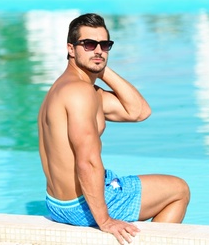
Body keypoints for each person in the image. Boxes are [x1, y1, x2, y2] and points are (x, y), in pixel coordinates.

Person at [38, 13, 190, 244]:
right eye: (89, 44)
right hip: (81, 206)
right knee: (178, 190)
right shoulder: (81, 94)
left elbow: (139, 111)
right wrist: (105, 220)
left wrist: (99, 68)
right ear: (71, 49)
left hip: (57, 202)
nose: (98, 50)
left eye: (104, 45)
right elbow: (87, 161)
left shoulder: (69, 89)